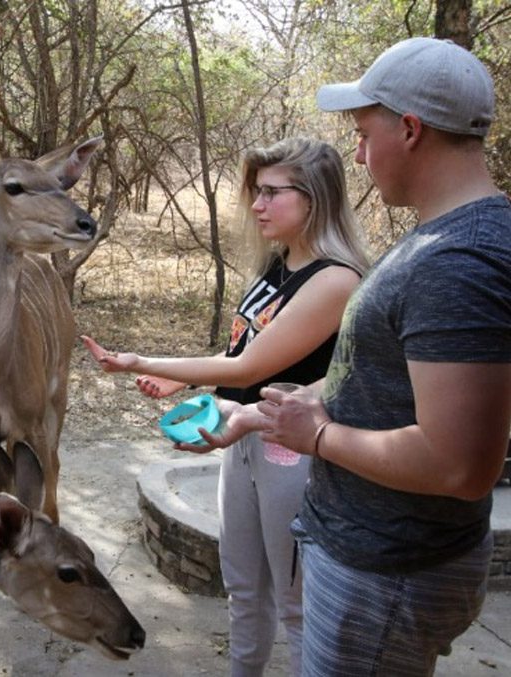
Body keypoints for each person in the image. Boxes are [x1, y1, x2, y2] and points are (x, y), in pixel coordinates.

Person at [195, 37, 511, 676]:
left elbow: (460, 466)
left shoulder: (457, 263)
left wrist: (319, 433)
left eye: (366, 133)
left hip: (387, 574)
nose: (360, 155)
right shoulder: (440, 240)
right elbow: (392, 388)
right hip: (376, 560)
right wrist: (298, 405)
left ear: (412, 129)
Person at [83, 136, 369, 676]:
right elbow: (242, 354)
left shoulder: (335, 279)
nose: (256, 205)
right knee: (243, 590)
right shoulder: (280, 265)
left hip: (294, 454)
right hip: (240, 438)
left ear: (315, 198)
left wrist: (144, 359)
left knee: (295, 607)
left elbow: (249, 371)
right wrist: (180, 386)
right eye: (255, 193)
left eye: (271, 193)